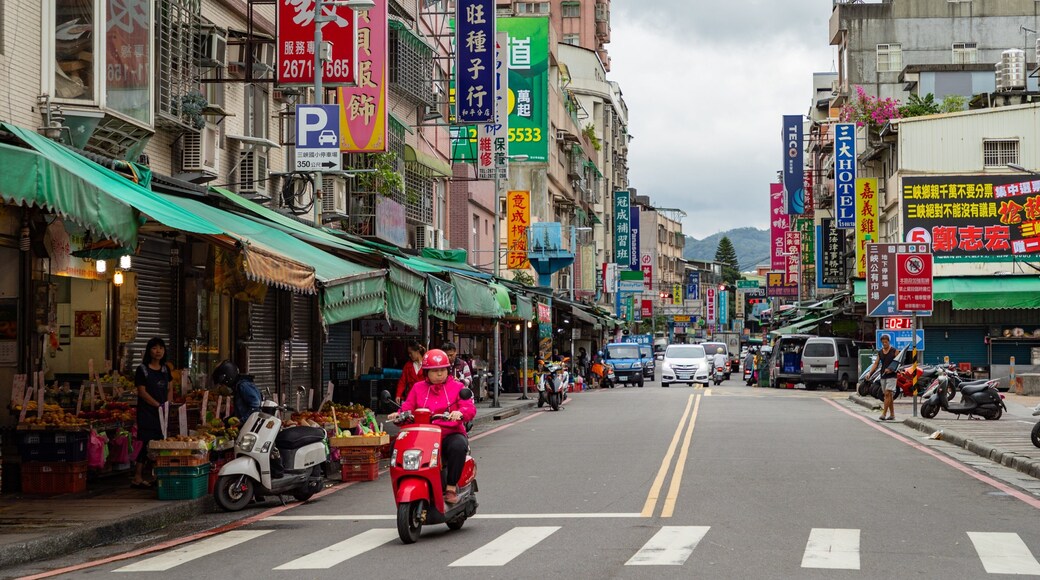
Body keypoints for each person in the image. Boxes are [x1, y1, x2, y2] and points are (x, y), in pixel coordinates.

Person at [387, 349, 476, 504]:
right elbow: (407, 407)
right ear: (427, 372)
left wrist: (460, 413)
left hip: (449, 433)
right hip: (422, 436)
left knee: (458, 446)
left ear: (448, 370)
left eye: (442, 370)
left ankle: (450, 487)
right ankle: (407, 480)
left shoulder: (457, 387)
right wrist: (398, 415)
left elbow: (469, 408)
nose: (439, 374)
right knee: (395, 445)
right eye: (435, 371)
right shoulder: (417, 388)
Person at [132, 337, 174, 489]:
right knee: (145, 443)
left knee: (160, 443)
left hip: (162, 413)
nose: (158, 351)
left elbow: (170, 388)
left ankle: (157, 476)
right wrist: (157, 405)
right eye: (155, 348)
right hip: (147, 412)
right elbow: (142, 392)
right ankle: (137, 477)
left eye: (161, 348)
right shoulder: (142, 369)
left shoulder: (165, 369)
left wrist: (168, 405)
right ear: (149, 350)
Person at [211, 360, 262, 424]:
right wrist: (226, 422)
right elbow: (239, 412)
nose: (222, 386)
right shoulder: (237, 387)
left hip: (250, 426)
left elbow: (255, 406)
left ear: (228, 379)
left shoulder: (244, 385)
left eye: (222, 384)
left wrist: (241, 421)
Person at [868, 334, 899, 421]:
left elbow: (898, 363)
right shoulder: (880, 352)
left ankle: (884, 414)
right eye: (883, 342)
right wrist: (870, 373)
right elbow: (876, 363)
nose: (884, 344)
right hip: (883, 375)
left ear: (889, 342)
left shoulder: (895, 351)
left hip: (892, 375)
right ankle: (892, 414)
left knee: (887, 393)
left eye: (886, 342)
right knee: (889, 395)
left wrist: (891, 370)